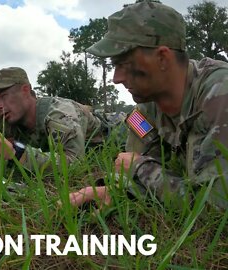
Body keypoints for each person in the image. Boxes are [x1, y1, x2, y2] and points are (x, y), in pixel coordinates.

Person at [70, 0, 228, 210]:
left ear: (162, 58)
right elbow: (132, 175)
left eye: (123, 64)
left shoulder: (219, 94)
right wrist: (112, 191)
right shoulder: (143, 113)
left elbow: (214, 207)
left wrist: (141, 169)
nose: (116, 78)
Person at [0, 67, 104, 172]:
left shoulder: (59, 114)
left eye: (3, 96)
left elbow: (75, 164)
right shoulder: (12, 120)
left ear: (25, 90)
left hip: (118, 135)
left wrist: (16, 152)